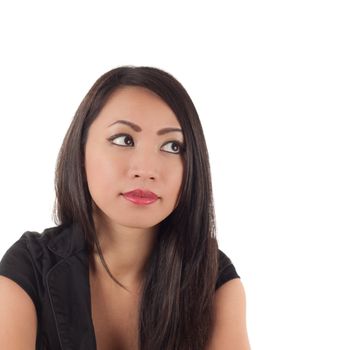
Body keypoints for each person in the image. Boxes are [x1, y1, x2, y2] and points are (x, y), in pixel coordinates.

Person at [0, 66, 250, 350]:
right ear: (80, 151)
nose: (145, 170)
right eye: (124, 140)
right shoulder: (27, 270)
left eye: (171, 146)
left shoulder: (216, 282)